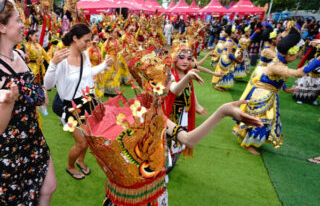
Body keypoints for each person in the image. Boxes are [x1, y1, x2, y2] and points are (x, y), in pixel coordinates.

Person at [74, 49, 263, 206]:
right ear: (149, 83)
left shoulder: (154, 115)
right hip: (132, 197)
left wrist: (222, 112)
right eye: (163, 80)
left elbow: (189, 140)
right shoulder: (128, 114)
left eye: (166, 79)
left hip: (143, 192)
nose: (167, 85)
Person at [0, 0, 56, 205]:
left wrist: (28, 91)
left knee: (49, 187)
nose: (24, 25)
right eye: (18, 20)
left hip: (34, 139)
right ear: (1, 27)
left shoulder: (19, 55)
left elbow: (43, 97)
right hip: (8, 151)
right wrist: (7, 102)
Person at [233, 26, 320, 155]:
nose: (296, 58)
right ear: (288, 54)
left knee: (264, 120)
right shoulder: (276, 65)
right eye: (295, 56)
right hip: (262, 94)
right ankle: (247, 144)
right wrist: (317, 61)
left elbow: (280, 80)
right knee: (259, 120)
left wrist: (287, 89)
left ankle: (252, 141)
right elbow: (298, 73)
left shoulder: (280, 61)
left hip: (269, 94)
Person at [44, 23, 113, 180]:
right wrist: (53, 64)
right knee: (81, 143)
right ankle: (70, 166)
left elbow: (87, 74)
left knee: (88, 137)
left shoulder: (85, 55)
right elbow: (47, 85)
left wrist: (104, 65)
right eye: (86, 41)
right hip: (70, 106)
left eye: (90, 41)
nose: (89, 44)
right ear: (75, 38)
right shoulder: (61, 59)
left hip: (88, 101)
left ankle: (81, 160)